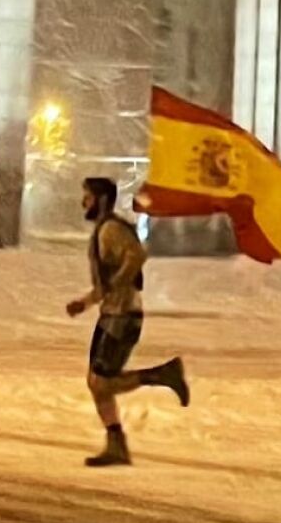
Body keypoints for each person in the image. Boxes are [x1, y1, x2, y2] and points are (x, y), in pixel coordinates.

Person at [68, 177, 190, 467]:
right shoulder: (104, 230)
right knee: (97, 383)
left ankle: (162, 375)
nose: (83, 202)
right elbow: (106, 281)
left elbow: (136, 255)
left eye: (88, 197)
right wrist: (85, 302)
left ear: (101, 200)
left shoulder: (111, 229)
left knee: (102, 382)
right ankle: (116, 445)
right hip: (112, 314)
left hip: (123, 316)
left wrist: (117, 284)